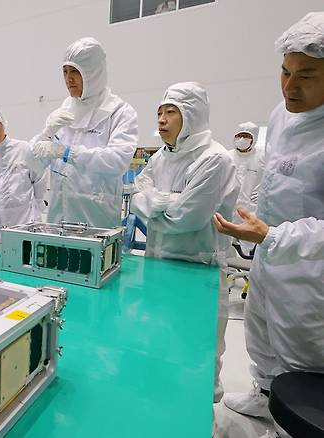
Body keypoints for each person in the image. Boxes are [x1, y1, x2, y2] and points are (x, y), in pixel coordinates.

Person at [215, 13, 324, 435]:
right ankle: (264, 394)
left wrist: (274, 236)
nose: (290, 86)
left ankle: (293, 423)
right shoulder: (280, 115)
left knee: (304, 357)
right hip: (270, 250)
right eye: (284, 71)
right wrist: (262, 232)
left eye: (307, 76)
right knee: (260, 332)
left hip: (311, 272)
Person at [130, 82, 239, 404]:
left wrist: (152, 202)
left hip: (197, 267)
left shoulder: (214, 159)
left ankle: (203, 414)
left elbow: (185, 219)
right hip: (158, 262)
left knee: (198, 352)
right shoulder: (161, 157)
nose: (161, 119)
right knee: (159, 341)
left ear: (192, 115)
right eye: (160, 112)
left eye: (171, 112)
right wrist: (165, 200)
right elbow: (137, 192)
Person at [31, 37, 138, 228]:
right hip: (58, 222)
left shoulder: (119, 112)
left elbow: (117, 161)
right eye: (65, 71)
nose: (68, 79)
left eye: (75, 72)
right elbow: (32, 164)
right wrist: (46, 134)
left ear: (93, 73)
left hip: (96, 222)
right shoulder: (63, 111)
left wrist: (66, 153)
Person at [0, 106, 46, 252]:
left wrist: (36, 207)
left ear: (3, 124)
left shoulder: (24, 149)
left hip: (25, 220)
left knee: (27, 262)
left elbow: (40, 179)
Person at [226, 122, 265, 255]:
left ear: (254, 138)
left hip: (252, 210)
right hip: (229, 210)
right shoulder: (227, 156)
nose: (242, 140)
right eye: (239, 135)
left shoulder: (262, 157)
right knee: (227, 249)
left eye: (246, 136)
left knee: (249, 250)